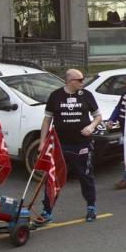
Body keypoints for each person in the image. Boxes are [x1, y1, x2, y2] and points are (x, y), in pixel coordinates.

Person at [33, 69, 103, 226]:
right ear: (70, 81)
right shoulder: (55, 96)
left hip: (82, 144)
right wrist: (42, 142)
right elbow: (47, 120)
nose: (83, 82)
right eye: (80, 80)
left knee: (86, 176)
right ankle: (47, 211)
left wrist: (91, 127)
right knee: (53, 178)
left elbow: (98, 116)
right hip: (60, 145)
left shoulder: (86, 95)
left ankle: (91, 207)